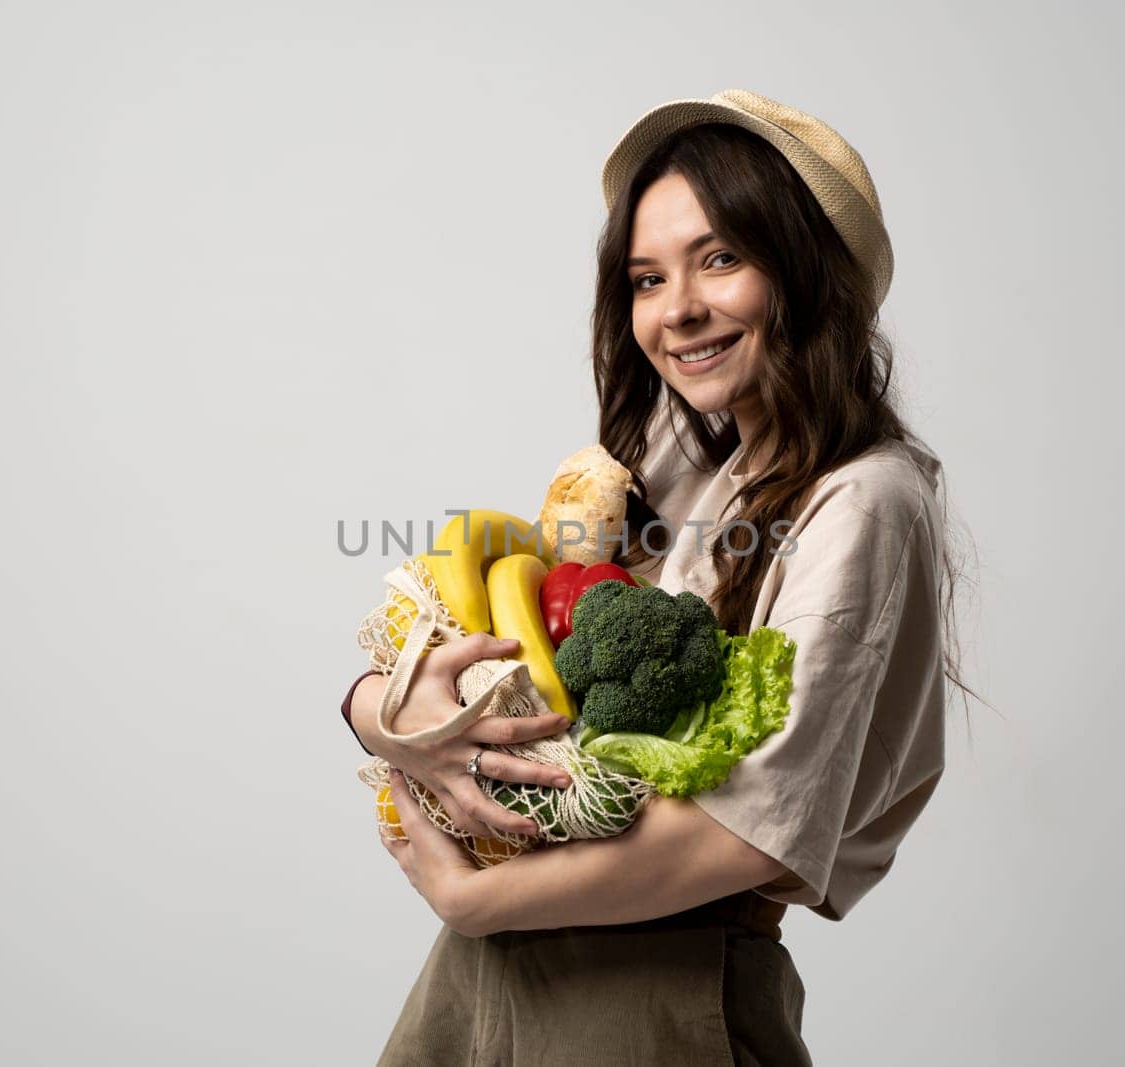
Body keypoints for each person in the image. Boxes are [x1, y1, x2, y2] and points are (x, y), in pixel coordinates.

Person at [340, 89, 981, 1065]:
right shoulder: (679, 466)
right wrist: (378, 709)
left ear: (808, 272)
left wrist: (473, 896)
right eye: (646, 277)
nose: (677, 308)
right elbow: (514, 672)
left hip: (649, 991)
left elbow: (752, 835)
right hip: (489, 976)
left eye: (719, 257)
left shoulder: (865, 500)